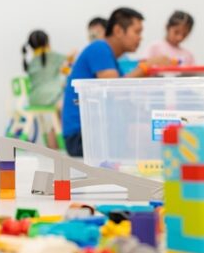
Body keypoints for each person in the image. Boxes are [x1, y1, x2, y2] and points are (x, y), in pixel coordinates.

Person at [61, 8, 172, 157]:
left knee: (154, 134)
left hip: (90, 135)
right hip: (81, 138)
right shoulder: (99, 48)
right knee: (150, 140)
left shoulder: (112, 59)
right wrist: (147, 66)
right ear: (118, 30)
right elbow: (114, 89)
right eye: (137, 32)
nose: (140, 38)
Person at [22, 30, 67, 148]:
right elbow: (69, 59)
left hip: (34, 99)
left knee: (56, 117)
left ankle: (52, 142)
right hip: (51, 97)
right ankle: (57, 143)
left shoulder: (31, 61)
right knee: (65, 107)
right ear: (47, 42)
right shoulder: (53, 57)